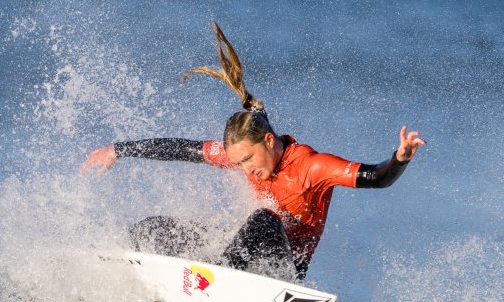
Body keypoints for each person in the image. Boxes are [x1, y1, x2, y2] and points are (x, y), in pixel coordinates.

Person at [84, 23, 425, 282]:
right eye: (238, 163)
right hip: (240, 263)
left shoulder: (312, 167)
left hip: (284, 274)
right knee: (155, 228)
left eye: (247, 160)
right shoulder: (242, 155)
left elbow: (376, 179)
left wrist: (400, 158)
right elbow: (183, 149)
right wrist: (119, 149)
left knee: (263, 221)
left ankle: (211, 284)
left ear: (268, 142)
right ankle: (121, 277)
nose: (245, 169)